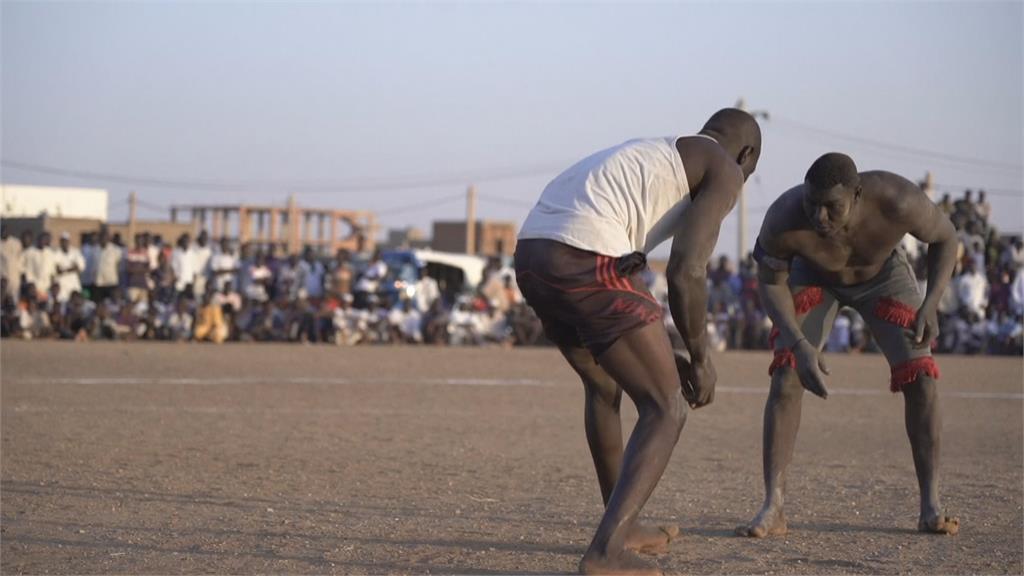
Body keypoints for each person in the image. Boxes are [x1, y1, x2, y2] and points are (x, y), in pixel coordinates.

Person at [515, 108, 762, 575]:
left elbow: (626, 274)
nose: (741, 180)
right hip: (585, 253)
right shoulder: (723, 166)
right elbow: (688, 268)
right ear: (746, 155)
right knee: (667, 407)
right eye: (748, 171)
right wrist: (700, 355)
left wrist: (661, 352)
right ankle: (606, 551)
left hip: (533, 254)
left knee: (605, 388)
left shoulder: (655, 154)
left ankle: (622, 526)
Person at [737, 152, 960, 539]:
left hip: (883, 275)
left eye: (832, 207)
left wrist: (931, 301)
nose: (819, 217)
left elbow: (946, 237)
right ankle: (773, 507)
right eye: (813, 205)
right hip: (813, 278)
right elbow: (770, 283)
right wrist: (799, 342)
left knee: (921, 379)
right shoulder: (784, 216)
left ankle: (931, 505)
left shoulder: (898, 199)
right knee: (787, 374)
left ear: (857, 195)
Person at [54, 232, 86, 304]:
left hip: (73, 283)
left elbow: (80, 267)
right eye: (63, 241)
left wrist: (65, 269)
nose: (64, 243)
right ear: (60, 242)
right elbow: (58, 270)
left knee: (76, 301)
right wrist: (72, 268)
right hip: (61, 284)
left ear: (69, 242)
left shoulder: (75, 252)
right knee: (62, 302)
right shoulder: (56, 253)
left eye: (66, 241)